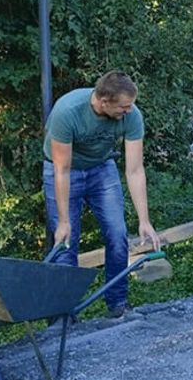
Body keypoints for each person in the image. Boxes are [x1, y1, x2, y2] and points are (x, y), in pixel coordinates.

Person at [43, 70, 161, 319]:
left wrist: (144, 220)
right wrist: (63, 221)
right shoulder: (68, 112)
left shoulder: (132, 115)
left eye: (130, 106)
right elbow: (61, 169)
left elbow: (135, 169)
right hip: (66, 172)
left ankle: (118, 304)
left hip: (101, 168)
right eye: (123, 107)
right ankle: (63, 317)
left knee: (118, 235)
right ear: (104, 100)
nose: (128, 111)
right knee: (65, 243)